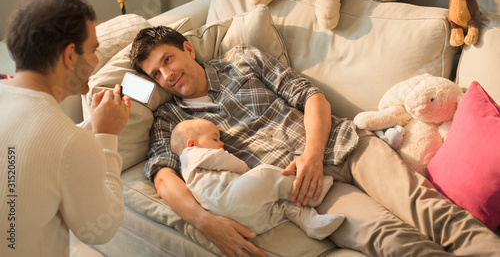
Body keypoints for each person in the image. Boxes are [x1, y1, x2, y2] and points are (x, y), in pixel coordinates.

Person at [130, 25, 500, 257]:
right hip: (311, 190)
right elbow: (162, 175)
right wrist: (204, 221)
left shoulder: (241, 60)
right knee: (392, 241)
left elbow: (311, 97)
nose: (167, 75)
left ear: (188, 50)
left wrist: (312, 152)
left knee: (435, 214)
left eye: (168, 59)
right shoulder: (171, 119)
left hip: (345, 146)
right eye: (156, 74)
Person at [0, 0, 130, 256]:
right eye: (93, 50)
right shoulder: (70, 142)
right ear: (70, 56)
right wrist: (106, 135)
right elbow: (99, 229)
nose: (96, 62)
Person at [170, 118, 345, 240]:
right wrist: (245, 169)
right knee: (265, 174)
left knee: (283, 207)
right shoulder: (189, 155)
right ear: (191, 143)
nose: (221, 144)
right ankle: (311, 190)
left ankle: (313, 225)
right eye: (215, 139)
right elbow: (221, 159)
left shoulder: (190, 171)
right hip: (228, 198)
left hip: (239, 217)